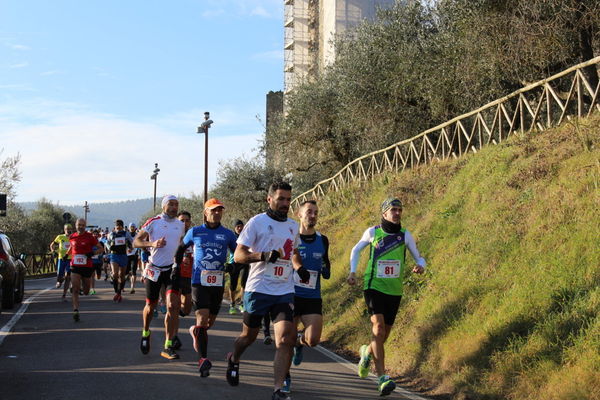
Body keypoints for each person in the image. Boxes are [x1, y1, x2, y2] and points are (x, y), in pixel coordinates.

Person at [227, 182, 310, 400]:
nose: (285, 203)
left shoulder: (293, 226)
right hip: (258, 289)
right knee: (248, 337)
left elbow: (293, 252)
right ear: (269, 199)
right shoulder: (257, 222)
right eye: (281, 199)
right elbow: (238, 256)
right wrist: (262, 256)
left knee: (284, 340)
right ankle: (234, 358)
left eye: (288, 199)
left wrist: (299, 268)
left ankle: (277, 389)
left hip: (284, 289)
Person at [347, 197, 426, 396]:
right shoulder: (373, 232)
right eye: (393, 210)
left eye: (400, 209)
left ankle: (366, 352)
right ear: (384, 214)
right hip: (373, 286)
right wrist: (353, 272)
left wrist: (420, 266)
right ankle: (382, 377)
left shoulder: (405, 235)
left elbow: (419, 256)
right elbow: (356, 250)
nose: (397, 213)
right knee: (378, 328)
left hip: (394, 290)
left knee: (382, 337)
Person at [174, 200, 236, 377]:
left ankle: (196, 332)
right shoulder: (195, 231)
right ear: (205, 212)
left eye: (220, 210)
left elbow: (237, 253)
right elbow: (180, 249)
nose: (217, 213)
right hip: (199, 282)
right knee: (201, 320)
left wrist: (232, 265)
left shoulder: (228, 234)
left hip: (217, 283)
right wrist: (175, 267)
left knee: (209, 323)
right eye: (213, 210)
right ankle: (203, 360)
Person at [284, 200, 331, 393]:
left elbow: (326, 262)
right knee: (286, 339)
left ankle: (300, 344)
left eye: (316, 213)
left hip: (313, 296)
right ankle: (285, 377)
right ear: (299, 214)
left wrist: (327, 269)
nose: (313, 216)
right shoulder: (290, 238)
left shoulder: (323, 239)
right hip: (290, 294)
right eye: (309, 212)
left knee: (313, 340)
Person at [134, 195, 185, 360]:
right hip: (154, 270)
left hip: (172, 270)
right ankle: (145, 332)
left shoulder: (180, 225)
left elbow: (182, 244)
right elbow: (136, 242)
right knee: (151, 306)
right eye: (171, 204)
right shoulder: (153, 221)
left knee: (172, 306)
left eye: (176, 204)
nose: (174, 207)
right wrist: (152, 244)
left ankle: (168, 345)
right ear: (164, 206)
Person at [68, 218, 101, 322]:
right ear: (75, 225)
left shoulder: (90, 237)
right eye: (79, 225)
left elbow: (101, 248)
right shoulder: (72, 236)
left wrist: (92, 253)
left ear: (85, 226)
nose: (80, 226)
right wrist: (65, 255)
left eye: (82, 225)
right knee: (75, 289)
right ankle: (75, 310)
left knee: (86, 292)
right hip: (75, 266)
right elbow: (71, 248)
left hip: (87, 266)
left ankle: (83, 287)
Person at [172, 210, 193, 351]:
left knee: (187, 308)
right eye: (181, 221)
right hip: (176, 275)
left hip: (190, 276)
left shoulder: (194, 235)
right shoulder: (173, 236)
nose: (184, 223)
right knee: (175, 306)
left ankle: (177, 313)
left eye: (186, 220)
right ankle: (174, 336)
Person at [108, 220, 134, 302]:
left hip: (123, 255)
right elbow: (106, 243)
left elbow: (131, 243)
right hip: (114, 255)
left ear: (122, 226)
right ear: (115, 227)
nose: (118, 227)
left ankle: (119, 293)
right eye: (117, 226)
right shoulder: (111, 234)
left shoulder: (126, 234)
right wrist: (109, 247)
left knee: (122, 276)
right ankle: (116, 292)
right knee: (115, 274)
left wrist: (130, 248)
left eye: (119, 226)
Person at [227, 220, 249, 314]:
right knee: (233, 284)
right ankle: (232, 304)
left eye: (241, 226)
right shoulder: (231, 237)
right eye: (237, 227)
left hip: (244, 262)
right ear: (234, 228)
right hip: (234, 262)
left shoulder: (247, 236)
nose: (240, 228)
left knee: (244, 282)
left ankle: (242, 302)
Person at [50, 224, 73, 300]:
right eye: (67, 229)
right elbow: (52, 245)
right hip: (61, 259)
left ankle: (64, 294)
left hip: (70, 259)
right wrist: (53, 251)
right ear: (64, 229)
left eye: (70, 229)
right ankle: (59, 281)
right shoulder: (60, 237)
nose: (68, 230)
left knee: (68, 276)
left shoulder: (73, 237)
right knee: (60, 276)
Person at [90, 229, 105, 295]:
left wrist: (101, 255)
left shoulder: (101, 243)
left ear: (98, 235)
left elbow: (103, 251)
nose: (95, 235)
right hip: (92, 262)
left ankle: (98, 275)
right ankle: (92, 289)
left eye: (96, 234)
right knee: (92, 276)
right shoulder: (90, 243)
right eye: (94, 234)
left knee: (98, 277)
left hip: (98, 262)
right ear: (92, 235)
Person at [126, 223, 140, 294]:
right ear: (129, 228)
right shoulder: (126, 235)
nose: (132, 228)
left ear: (135, 228)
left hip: (134, 255)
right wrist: (128, 248)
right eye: (131, 227)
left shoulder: (138, 235)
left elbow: (140, 243)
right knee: (126, 271)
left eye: (133, 227)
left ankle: (132, 287)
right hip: (127, 255)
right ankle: (122, 285)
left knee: (133, 271)